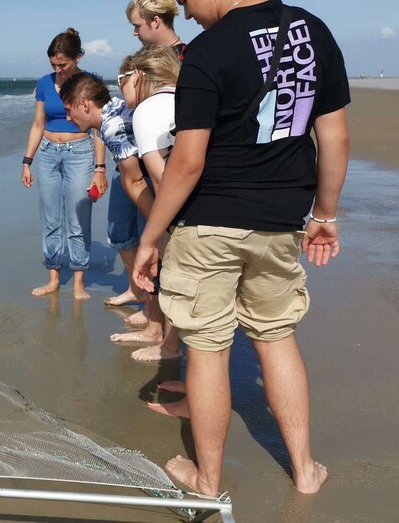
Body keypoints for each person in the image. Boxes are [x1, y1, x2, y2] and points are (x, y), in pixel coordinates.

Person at [131, 0, 349, 496]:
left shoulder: (209, 50)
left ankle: (206, 481)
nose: (186, 12)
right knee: (276, 335)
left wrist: (150, 237)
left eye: (186, 2)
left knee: (207, 348)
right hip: (279, 219)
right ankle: (305, 469)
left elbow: (187, 161)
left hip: (209, 222)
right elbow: (333, 132)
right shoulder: (312, 31)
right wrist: (324, 216)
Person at [20, 29, 107, 300]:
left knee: (78, 218)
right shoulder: (45, 83)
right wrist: (27, 160)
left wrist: (100, 169)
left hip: (79, 152)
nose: (58, 69)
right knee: (50, 217)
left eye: (63, 64)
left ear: (77, 57)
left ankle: (79, 281)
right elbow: (38, 124)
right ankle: (54, 277)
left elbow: (99, 129)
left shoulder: (90, 83)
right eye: (53, 65)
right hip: (46, 152)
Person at [58, 73, 154, 314]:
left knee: (151, 244)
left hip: (149, 177)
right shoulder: (115, 107)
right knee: (118, 233)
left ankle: (154, 312)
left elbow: (137, 180)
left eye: (69, 110)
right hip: (131, 169)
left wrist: (159, 227)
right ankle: (138, 290)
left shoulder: (111, 127)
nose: (68, 118)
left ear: (84, 104)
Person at [112, 46, 183, 363]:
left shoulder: (147, 111)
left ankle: (170, 346)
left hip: (186, 215)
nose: (119, 87)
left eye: (121, 79)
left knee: (177, 283)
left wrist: (156, 235)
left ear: (138, 75)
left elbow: (160, 181)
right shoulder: (187, 99)